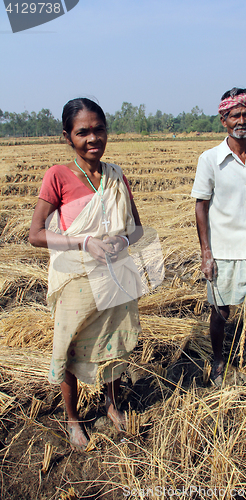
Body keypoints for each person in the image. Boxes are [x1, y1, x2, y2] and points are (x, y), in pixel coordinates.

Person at [29, 98, 143, 449]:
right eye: (83, 132)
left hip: (114, 276)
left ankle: (112, 404)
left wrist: (123, 240)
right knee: (70, 347)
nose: (93, 138)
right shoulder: (58, 176)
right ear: (68, 137)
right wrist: (84, 242)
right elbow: (35, 234)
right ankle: (73, 419)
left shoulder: (116, 175)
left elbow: (137, 228)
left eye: (99, 130)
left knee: (114, 344)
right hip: (76, 279)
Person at [191, 87, 246, 386]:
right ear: (223, 119)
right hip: (224, 246)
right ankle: (218, 360)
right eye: (235, 115)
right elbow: (201, 206)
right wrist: (206, 252)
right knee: (221, 309)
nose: (242, 120)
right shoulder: (211, 159)